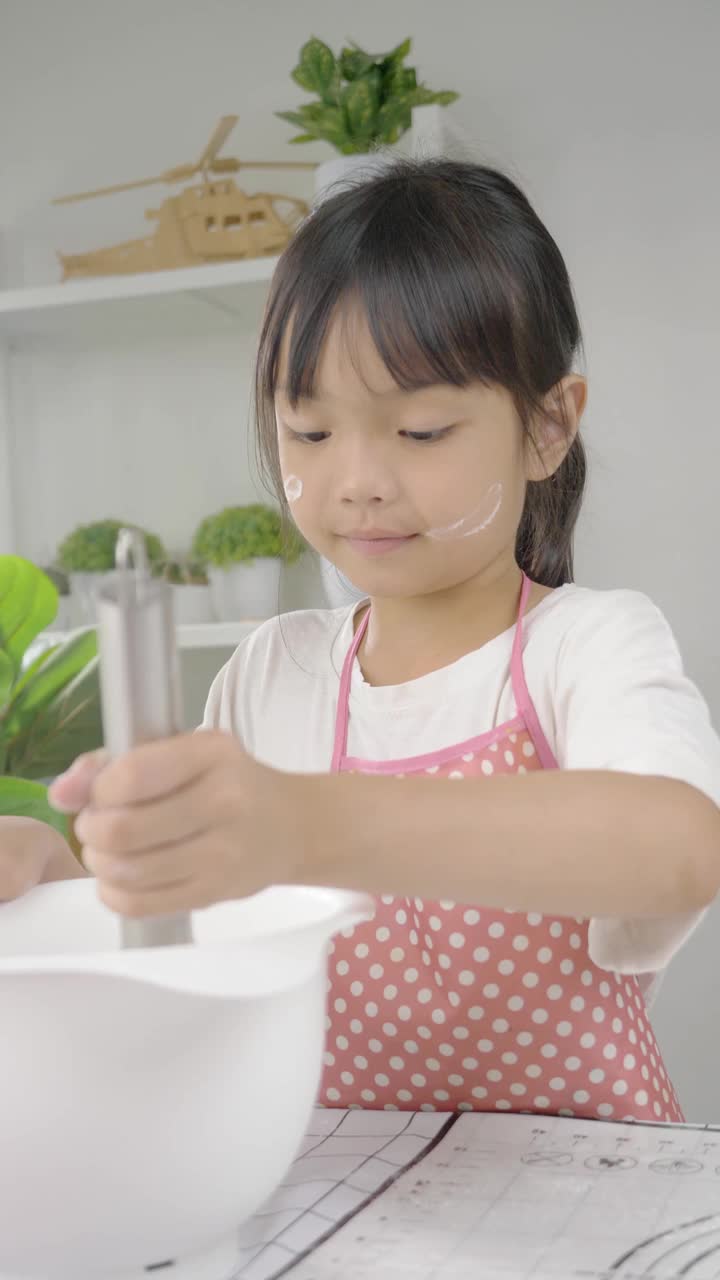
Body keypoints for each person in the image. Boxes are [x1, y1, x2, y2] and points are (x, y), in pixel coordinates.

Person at [3, 159, 720, 1124]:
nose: (358, 481)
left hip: (583, 1207)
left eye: (420, 430)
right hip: (346, 1195)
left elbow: (677, 844)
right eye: (308, 431)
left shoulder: (587, 645)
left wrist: (302, 827)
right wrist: (60, 881)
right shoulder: (273, 672)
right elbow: (189, 927)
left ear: (548, 426)